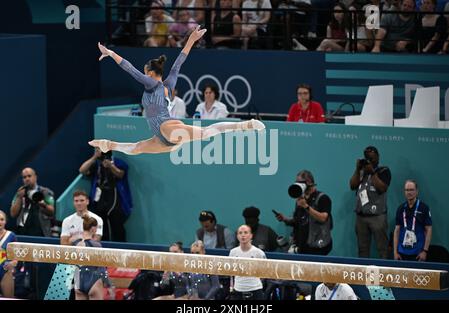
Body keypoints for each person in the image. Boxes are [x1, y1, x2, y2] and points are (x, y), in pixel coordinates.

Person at [90, 26, 265, 155]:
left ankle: (246, 124)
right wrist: (191, 40)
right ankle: (108, 144)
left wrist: (111, 54)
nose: (144, 75)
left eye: (145, 72)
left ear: (150, 73)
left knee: (205, 133)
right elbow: (178, 63)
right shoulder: (168, 84)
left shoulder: (152, 84)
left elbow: (130, 69)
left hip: (167, 127)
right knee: (137, 148)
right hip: (161, 136)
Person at [79, 148, 132, 242]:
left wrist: (110, 166)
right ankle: (102, 245)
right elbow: (82, 170)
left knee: (117, 226)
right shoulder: (96, 165)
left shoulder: (117, 162)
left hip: (115, 198)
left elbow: (120, 174)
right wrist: (94, 157)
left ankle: (120, 247)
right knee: (100, 225)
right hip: (100, 199)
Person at [276, 170, 333, 255]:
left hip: (318, 247)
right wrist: (285, 219)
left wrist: (306, 207)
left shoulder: (322, 198)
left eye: (299, 183)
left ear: (309, 182)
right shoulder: (300, 199)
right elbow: (298, 221)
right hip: (302, 247)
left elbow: (323, 218)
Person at [350, 146, 391, 259]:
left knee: (382, 248)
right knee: (362, 249)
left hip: (377, 216)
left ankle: (384, 273)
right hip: (361, 216)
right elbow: (352, 185)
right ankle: (363, 274)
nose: (370, 161)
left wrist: (372, 173)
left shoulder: (384, 171)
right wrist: (358, 169)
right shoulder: (362, 172)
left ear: (378, 157)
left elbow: (382, 188)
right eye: (368, 158)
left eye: (372, 158)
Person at [393, 180, 432, 261]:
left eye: (411, 190)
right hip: (402, 253)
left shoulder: (424, 208)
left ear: (416, 191)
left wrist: (425, 251)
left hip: (418, 253)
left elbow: (429, 230)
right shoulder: (400, 209)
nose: (409, 192)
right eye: (407, 190)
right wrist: (395, 252)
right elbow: (397, 231)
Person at [10, 167, 55, 237]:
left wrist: (43, 204)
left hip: (42, 232)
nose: (27, 179)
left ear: (35, 177)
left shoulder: (45, 192)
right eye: (24, 177)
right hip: (23, 232)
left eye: (29, 176)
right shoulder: (20, 192)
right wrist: (19, 197)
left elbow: (52, 212)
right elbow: (13, 214)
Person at [73, 216, 108, 300]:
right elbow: (101, 267)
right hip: (93, 281)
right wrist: (108, 283)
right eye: (97, 227)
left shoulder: (75, 243)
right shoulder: (96, 245)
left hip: (78, 281)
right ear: (93, 228)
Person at [229, 225, 266, 300]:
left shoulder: (259, 253)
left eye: (246, 232)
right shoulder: (233, 252)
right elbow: (231, 273)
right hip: (238, 290)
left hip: (255, 290)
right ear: (237, 236)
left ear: (251, 235)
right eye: (240, 233)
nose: (243, 235)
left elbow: (264, 272)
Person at [0, 210, 17, 298]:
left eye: (2, 219)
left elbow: (16, 258)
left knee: (8, 298)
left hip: (5, 271)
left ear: (5, 221)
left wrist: (12, 264)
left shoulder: (11, 235)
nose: (0, 222)